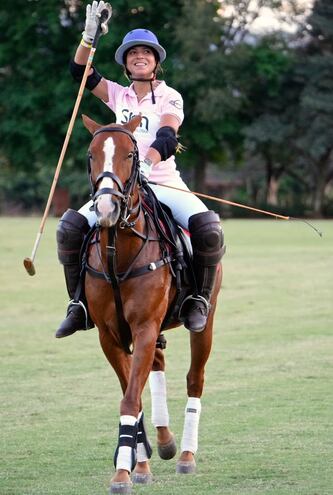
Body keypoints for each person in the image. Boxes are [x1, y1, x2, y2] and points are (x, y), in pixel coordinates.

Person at [56, 0, 224, 339]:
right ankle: (79, 304)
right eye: (132, 53)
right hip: (120, 187)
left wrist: (146, 162)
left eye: (146, 52)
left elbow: (166, 136)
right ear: (126, 63)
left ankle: (198, 301)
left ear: (156, 60)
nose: (139, 57)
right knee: (70, 228)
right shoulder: (118, 95)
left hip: (162, 182)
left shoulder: (169, 96)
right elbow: (80, 73)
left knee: (208, 228)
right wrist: (89, 38)